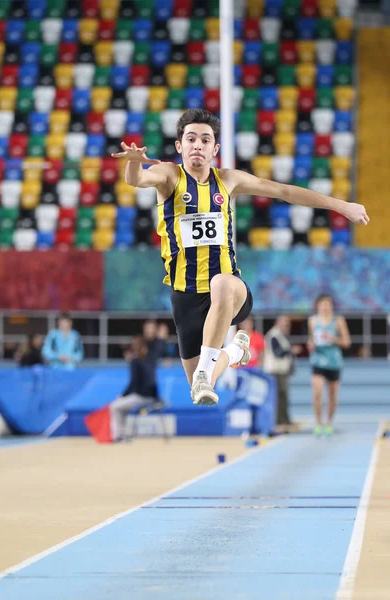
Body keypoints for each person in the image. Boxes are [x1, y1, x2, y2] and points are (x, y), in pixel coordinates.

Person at [111, 108, 369, 406]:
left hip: (231, 292)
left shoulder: (229, 180)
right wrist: (132, 163)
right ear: (179, 145)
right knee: (196, 383)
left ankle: (210, 372)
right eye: (191, 138)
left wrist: (341, 205)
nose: (198, 145)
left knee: (222, 283)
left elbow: (284, 191)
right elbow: (138, 180)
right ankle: (234, 351)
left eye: (205, 140)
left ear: (215, 149)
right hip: (186, 296)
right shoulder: (169, 175)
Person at [308, 295, 351, 436]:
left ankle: (329, 423)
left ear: (331, 306)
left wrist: (332, 339)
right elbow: (310, 340)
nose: (325, 307)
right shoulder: (313, 321)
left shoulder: (338, 320)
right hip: (318, 361)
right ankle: (318, 423)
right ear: (318, 306)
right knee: (317, 392)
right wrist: (311, 344)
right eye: (322, 304)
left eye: (327, 304)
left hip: (334, 362)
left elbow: (346, 342)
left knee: (332, 396)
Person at [110, 336, 161, 441]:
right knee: (121, 408)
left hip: (141, 397)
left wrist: (121, 396)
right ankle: (123, 435)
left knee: (114, 407)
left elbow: (133, 383)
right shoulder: (151, 360)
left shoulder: (135, 361)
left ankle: (118, 437)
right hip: (153, 398)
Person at [263, 316, 301, 431]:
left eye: (288, 324)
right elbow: (277, 352)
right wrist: (291, 351)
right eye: (285, 324)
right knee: (279, 396)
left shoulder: (281, 335)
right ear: (278, 323)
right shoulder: (274, 335)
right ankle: (280, 421)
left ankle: (285, 419)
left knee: (284, 396)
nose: (287, 327)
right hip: (276, 371)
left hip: (282, 371)